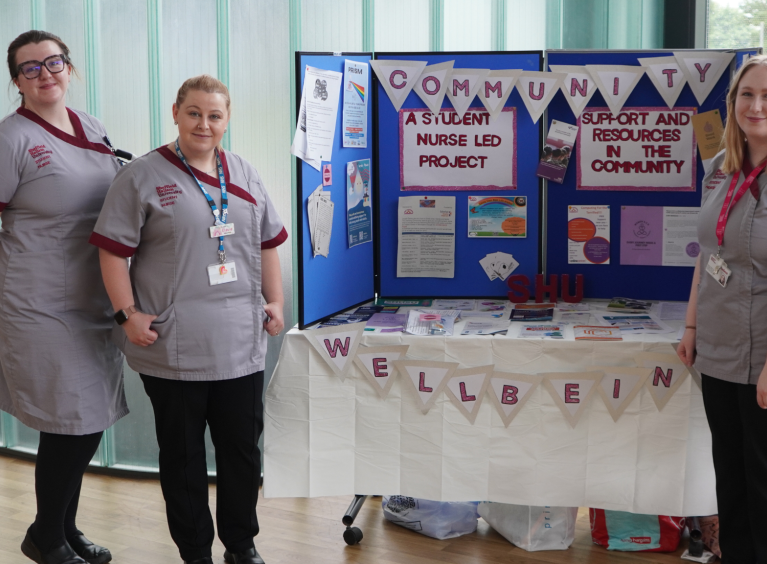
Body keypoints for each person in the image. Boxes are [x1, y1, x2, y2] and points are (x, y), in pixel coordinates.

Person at [91, 75, 287, 564]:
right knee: (182, 460)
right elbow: (112, 253)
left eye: (214, 115)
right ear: (175, 113)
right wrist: (127, 314)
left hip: (240, 340)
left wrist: (276, 300)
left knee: (242, 452)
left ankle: (241, 545)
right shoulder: (140, 176)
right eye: (194, 112)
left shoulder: (242, 171)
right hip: (173, 342)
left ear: (227, 120)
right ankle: (195, 552)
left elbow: (268, 242)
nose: (204, 123)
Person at [0, 31, 127, 564]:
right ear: (16, 82)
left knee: (87, 418)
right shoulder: (11, 140)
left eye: (53, 62)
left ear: (69, 68)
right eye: (30, 68)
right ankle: (45, 538)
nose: (45, 73)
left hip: (94, 296)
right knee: (70, 421)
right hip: (38, 302)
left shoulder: (90, 127)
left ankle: (63, 529)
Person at [677, 54, 767, 563]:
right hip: (719, 345)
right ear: (733, 104)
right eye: (747, 95)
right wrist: (692, 325)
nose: (756, 106)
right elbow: (709, 256)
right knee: (728, 477)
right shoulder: (720, 169)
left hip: (763, 354)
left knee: (762, 484)